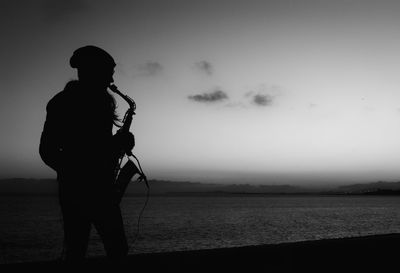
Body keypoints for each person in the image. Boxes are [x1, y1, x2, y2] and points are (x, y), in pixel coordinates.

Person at [39, 45, 134, 264]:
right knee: (79, 250)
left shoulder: (102, 101)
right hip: (78, 191)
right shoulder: (61, 103)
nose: (111, 78)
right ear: (92, 71)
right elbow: (47, 151)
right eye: (108, 72)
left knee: (115, 248)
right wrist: (78, 171)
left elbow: (100, 146)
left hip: (99, 189)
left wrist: (122, 142)